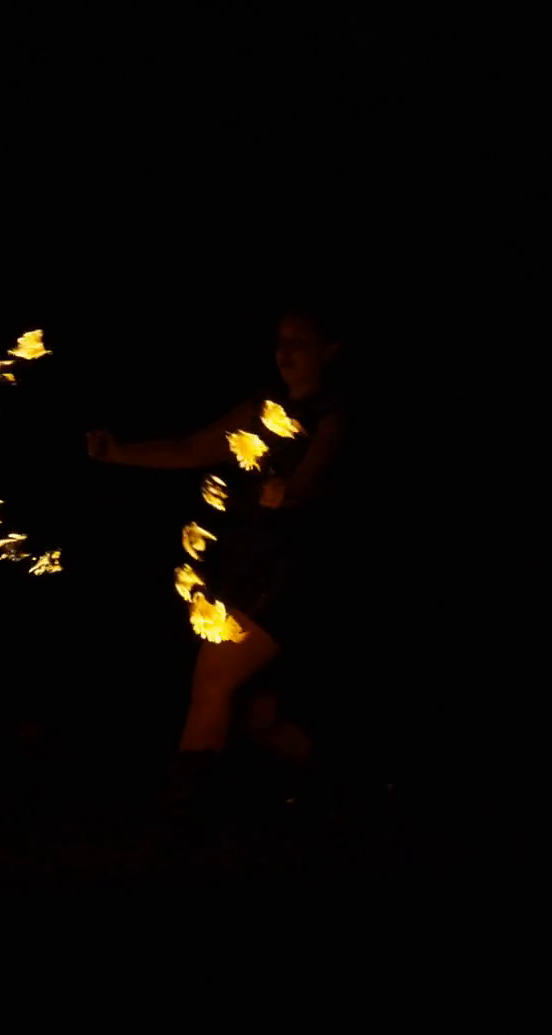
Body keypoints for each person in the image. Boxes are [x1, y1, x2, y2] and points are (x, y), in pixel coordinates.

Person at [86, 306, 355, 819]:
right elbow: (194, 447)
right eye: (280, 342)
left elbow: (317, 472)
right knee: (256, 714)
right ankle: (349, 792)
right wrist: (120, 453)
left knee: (213, 680)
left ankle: (178, 825)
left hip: (293, 574)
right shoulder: (260, 407)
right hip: (246, 567)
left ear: (330, 351)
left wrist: (292, 491)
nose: (285, 354)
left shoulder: (337, 416)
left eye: (300, 343)